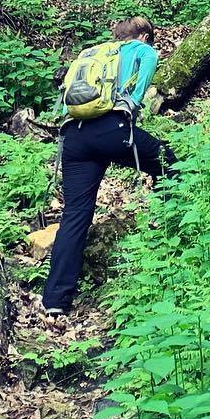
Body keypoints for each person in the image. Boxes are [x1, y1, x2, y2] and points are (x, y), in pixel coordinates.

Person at [43, 17, 172, 317]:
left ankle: (55, 300)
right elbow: (146, 69)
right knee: (168, 161)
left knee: (75, 215)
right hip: (112, 128)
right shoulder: (141, 50)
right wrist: (133, 103)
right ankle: (169, 227)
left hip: (74, 135)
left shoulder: (93, 53)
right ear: (143, 36)